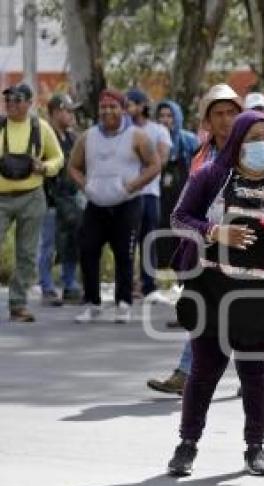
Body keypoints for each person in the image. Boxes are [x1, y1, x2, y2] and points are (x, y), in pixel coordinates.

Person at [166, 110, 264, 477]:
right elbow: (178, 218)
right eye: (252, 138)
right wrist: (216, 232)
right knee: (204, 371)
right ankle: (187, 445)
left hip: (263, 297)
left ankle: (255, 449)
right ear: (236, 140)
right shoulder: (211, 176)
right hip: (213, 290)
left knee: (254, 374)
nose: (261, 145)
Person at [147, 84, 242, 395]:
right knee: (205, 313)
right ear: (207, 121)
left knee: (245, 312)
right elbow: (186, 208)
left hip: (245, 244)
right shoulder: (201, 156)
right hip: (206, 243)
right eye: (219, 114)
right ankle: (186, 373)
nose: (226, 120)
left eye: (232, 113)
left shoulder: (254, 149)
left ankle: (248, 374)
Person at [69, 88, 161, 323]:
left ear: (123, 109)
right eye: (103, 107)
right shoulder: (87, 137)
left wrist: (132, 186)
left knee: (124, 254)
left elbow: (154, 165)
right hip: (96, 204)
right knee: (88, 250)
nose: (108, 111)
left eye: (113, 107)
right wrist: (85, 186)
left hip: (127, 204)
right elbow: (73, 166)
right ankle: (92, 302)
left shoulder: (137, 136)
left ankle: (123, 303)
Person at [0, 83, 64, 322]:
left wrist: (45, 167)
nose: (11, 105)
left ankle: (18, 304)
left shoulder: (40, 127)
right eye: (8, 100)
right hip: (1, 197)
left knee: (27, 254)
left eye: (17, 100)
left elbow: (58, 157)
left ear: (29, 103)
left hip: (31, 196)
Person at [125, 87, 172, 299]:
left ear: (142, 105)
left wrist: (143, 168)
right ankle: (127, 283)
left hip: (150, 193)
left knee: (148, 239)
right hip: (128, 194)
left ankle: (148, 285)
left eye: (130, 104)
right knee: (126, 241)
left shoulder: (159, 131)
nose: (126, 109)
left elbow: (161, 159)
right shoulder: (123, 130)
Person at [39, 93, 83, 306]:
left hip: (71, 200)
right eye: (68, 110)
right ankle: (47, 287)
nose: (72, 115)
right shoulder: (43, 136)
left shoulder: (73, 138)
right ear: (56, 112)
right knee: (47, 245)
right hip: (49, 201)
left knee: (71, 243)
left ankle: (69, 283)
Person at [154, 99, 199, 271]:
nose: (165, 120)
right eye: (161, 116)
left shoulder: (189, 140)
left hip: (184, 195)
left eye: (169, 116)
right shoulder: (151, 139)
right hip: (160, 196)